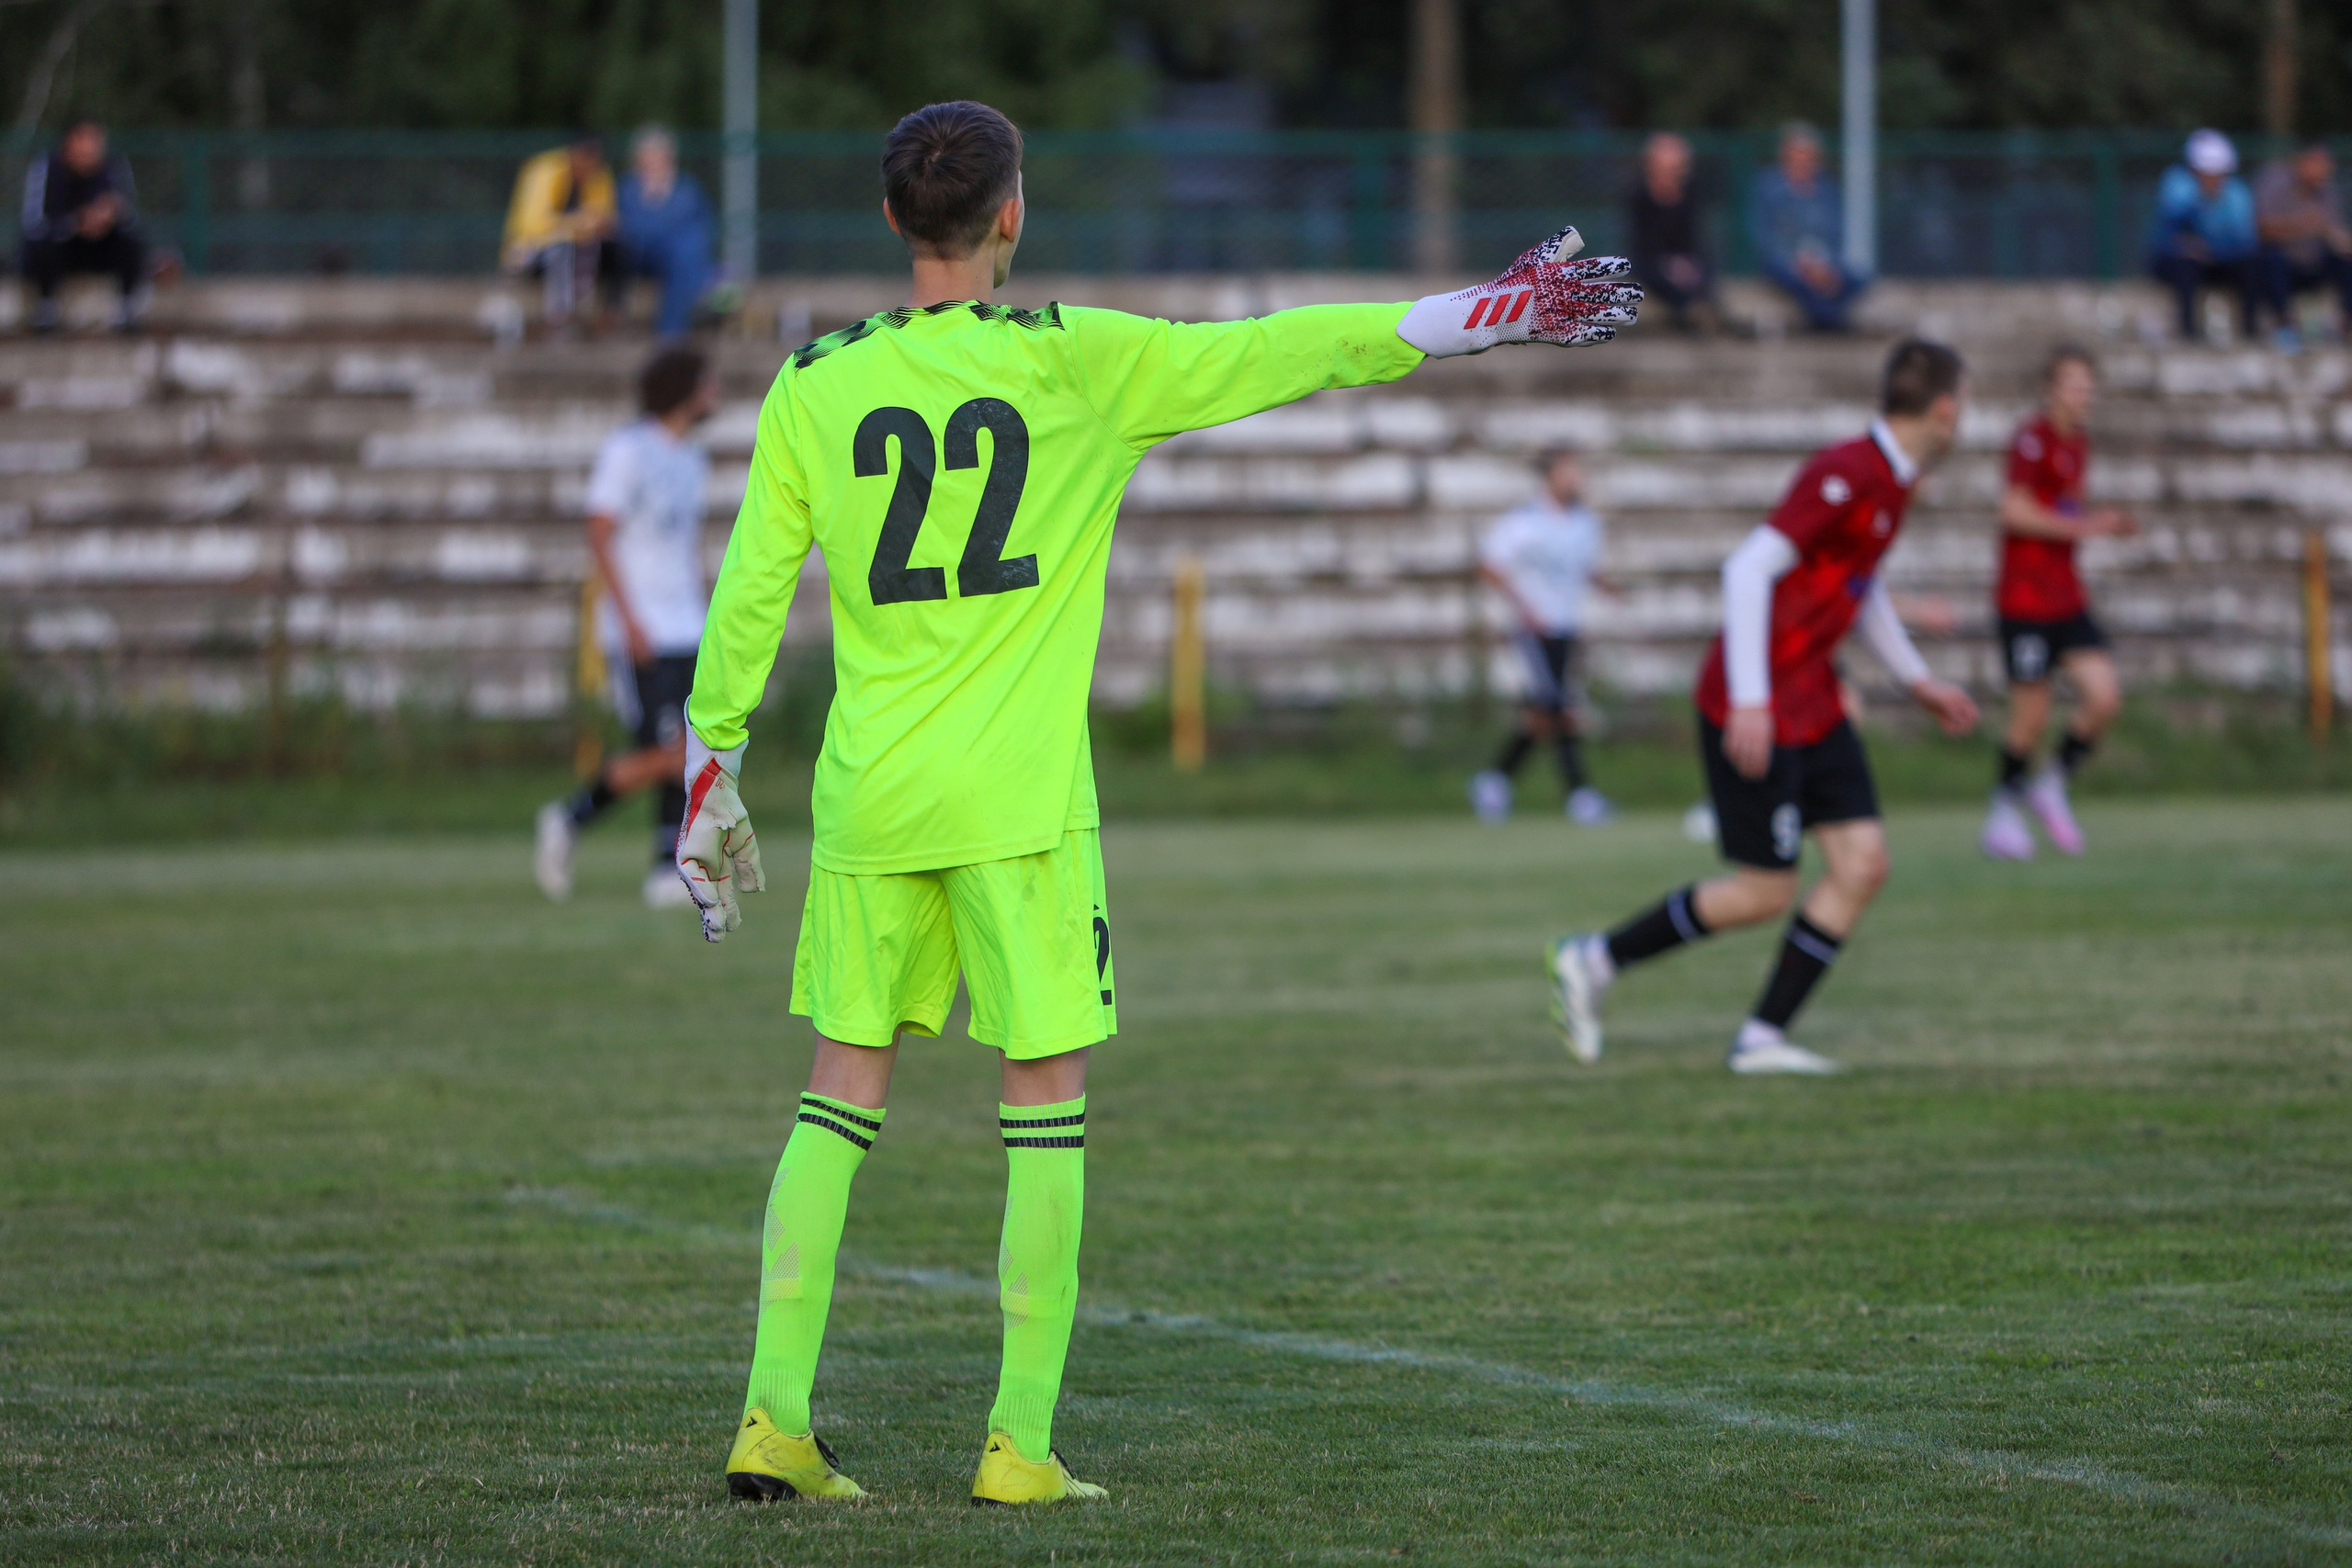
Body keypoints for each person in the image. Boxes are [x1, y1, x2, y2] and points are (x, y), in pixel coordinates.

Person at [669, 100, 1639, 1506]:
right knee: (1045, 1099)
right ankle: (1018, 1444)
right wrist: (1484, 310)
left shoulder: (813, 385)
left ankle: (773, 1419)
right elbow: (1281, 352)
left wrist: (713, 767)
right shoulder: (1083, 361)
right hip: (1019, 807)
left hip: (872, 799)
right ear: (1014, 215)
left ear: (894, 225)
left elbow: (750, 594)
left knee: (837, 1094)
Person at [1548, 340, 1978, 1076]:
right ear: (1944, 407)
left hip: (1813, 700)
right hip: (1755, 704)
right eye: (1964, 403)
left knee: (1863, 864)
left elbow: (1858, 585)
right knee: (1763, 891)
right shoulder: (1846, 472)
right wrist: (1751, 700)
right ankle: (1596, 958)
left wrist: (1915, 679)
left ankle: (1761, 1039)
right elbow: (1747, 568)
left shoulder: (1895, 480)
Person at [535, 344, 720, 908]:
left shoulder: (693, 458)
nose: (716, 394)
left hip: (687, 624)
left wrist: (707, 613)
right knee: (671, 750)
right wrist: (628, 618)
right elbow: (599, 532)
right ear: (683, 388)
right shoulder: (627, 450)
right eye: (707, 383)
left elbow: (684, 547)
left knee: (689, 746)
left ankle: (666, 869)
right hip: (642, 627)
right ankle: (569, 817)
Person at [1980, 346, 2135, 862]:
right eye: (2072, 383)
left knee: (2105, 696)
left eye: (2088, 384)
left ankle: (2051, 785)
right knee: (2030, 715)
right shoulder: (2032, 439)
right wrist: (2085, 526)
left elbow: (2063, 510)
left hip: (2065, 596)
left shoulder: (2079, 444)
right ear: (2050, 389)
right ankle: (2001, 812)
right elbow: (2013, 510)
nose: (2082, 393)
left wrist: (2102, 523)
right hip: (2023, 599)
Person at [1469, 447, 1618, 825]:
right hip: (1533, 630)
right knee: (1560, 707)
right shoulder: (1524, 521)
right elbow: (1490, 567)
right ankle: (1581, 794)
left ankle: (1495, 779)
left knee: (1541, 715)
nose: (1575, 479)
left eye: (1577, 472)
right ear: (1549, 477)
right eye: (1567, 472)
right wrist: (1524, 606)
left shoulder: (1584, 522)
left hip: (1566, 628)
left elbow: (1583, 569)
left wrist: (1607, 588)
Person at [18, 119, 148, 334]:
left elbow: (130, 217)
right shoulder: (48, 167)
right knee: (41, 246)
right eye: (88, 141)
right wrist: (77, 223)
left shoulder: (113, 166)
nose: (95, 148)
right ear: (71, 142)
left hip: (100, 246)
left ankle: (127, 309)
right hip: (63, 246)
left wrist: (108, 216)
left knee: (131, 241)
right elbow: (33, 223)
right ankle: (45, 309)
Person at [2147, 129, 2261, 344]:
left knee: (2252, 265)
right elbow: (2168, 233)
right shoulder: (2177, 185)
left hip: (2221, 260)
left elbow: (2245, 240)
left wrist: (2213, 249)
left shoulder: (2236, 193)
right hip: (2182, 261)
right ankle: (2187, 331)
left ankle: (2250, 329)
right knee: (2186, 264)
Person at [1749, 123, 1864, 333]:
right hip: (1787, 264)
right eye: (1798, 155)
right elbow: (1764, 236)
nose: (1803, 161)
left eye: (1808, 156)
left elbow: (1836, 235)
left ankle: (1828, 318)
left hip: (1824, 262)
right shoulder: (1769, 188)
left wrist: (1826, 267)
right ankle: (1830, 321)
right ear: (1785, 157)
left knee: (1859, 278)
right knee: (1798, 283)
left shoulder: (1827, 190)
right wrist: (1803, 266)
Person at [503, 134, 618, 329]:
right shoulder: (544, 170)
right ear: (575, 155)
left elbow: (604, 217)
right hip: (528, 252)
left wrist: (587, 225)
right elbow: (533, 225)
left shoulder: (598, 174)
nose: (588, 170)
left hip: (577, 252)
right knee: (562, 248)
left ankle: (608, 315)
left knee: (613, 246)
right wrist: (578, 223)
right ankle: (558, 319)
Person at [616, 125, 720, 340]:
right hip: (638, 255)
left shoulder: (687, 188)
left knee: (687, 249)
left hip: (676, 259)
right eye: (649, 155)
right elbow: (629, 230)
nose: (655, 161)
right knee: (685, 249)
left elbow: (703, 226)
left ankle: (672, 331)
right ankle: (681, 321)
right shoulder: (627, 188)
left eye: (659, 155)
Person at [2255, 141, 2352, 348]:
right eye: (2319, 165)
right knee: (2271, 259)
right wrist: (2299, 225)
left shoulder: (2327, 192)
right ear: (2301, 163)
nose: (2324, 171)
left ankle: (2348, 324)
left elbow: (2337, 233)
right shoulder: (2275, 184)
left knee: (2346, 260)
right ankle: (2284, 326)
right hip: (2285, 263)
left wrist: (2337, 237)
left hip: (2315, 264)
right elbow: (2261, 229)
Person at [1626, 130, 1716, 333]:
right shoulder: (1639, 197)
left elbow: (1693, 238)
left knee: (1706, 266)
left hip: (1684, 259)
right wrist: (1670, 264)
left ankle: (1704, 307)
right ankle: (1691, 309)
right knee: (1653, 272)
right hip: (1652, 261)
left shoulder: (1690, 195)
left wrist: (1686, 262)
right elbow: (1643, 243)